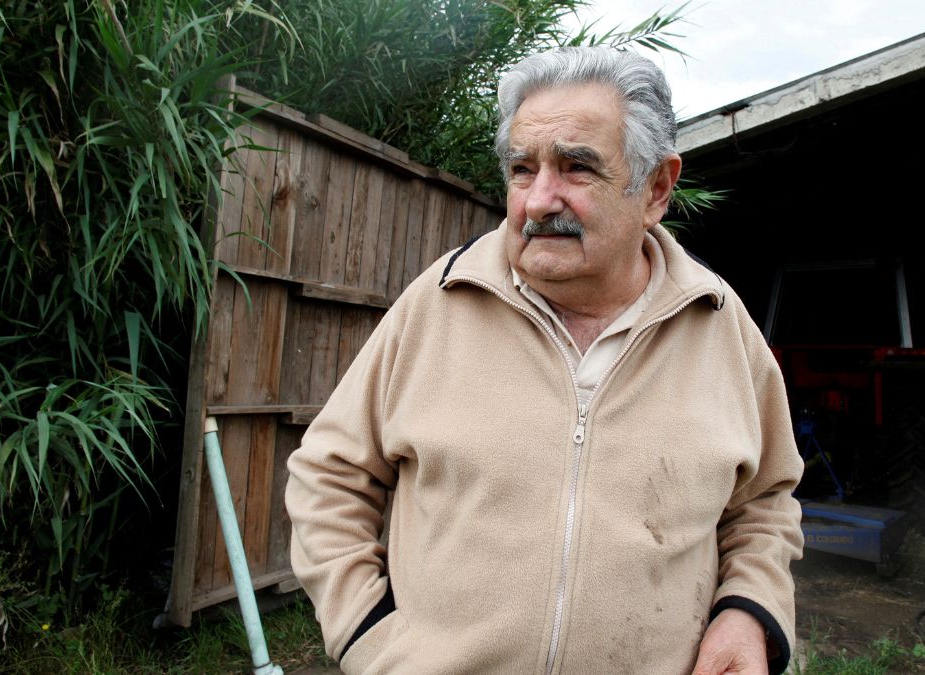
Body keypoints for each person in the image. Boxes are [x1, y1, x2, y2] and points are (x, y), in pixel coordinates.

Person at [285, 46, 804, 675]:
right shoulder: (438, 302)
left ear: (656, 188)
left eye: (577, 167)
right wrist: (368, 637)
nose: (538, 201)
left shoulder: (719, 326)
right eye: (522, 169)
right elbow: (328, 477)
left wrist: (748, 610)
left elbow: (764, 504)